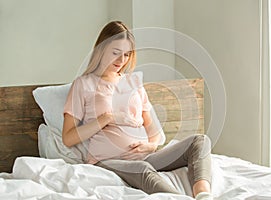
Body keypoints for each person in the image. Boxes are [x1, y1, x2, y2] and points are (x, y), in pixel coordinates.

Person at [62, 21, 213, 200]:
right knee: (143, 170)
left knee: (200, 141)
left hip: (146, 156)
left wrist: (152, 145)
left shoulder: (133, 82)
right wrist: (106, 118)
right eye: (116, 53)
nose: (121, 61)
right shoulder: (84, 84)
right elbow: (68, 138)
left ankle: (203, 195)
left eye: (127, 55)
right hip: (108, 161)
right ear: (101, 50)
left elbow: (152, 129)